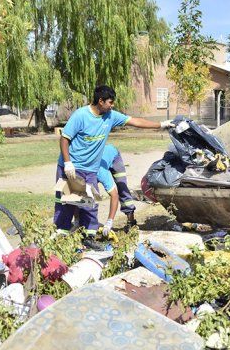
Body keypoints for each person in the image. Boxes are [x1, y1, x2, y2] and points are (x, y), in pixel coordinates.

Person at [55, 85, 172, 237]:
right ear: (101, 101)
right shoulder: (80, 115)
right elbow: (64, 138)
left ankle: (88, 238)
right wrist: (67, 163)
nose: (112, 105)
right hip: (72, 166)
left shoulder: (110, 116)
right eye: (110, 102)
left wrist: (161, 125)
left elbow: (135, 121)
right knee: (66, 203)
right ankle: (61, 235)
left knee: (89, 206)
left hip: (91, 169)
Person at [97, 143, 138, 237]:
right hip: (101, 158)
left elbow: (114, 195)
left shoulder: (101, 173)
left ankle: (131, 221)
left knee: (122, 187)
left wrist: (109, 222)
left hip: (114, 156)